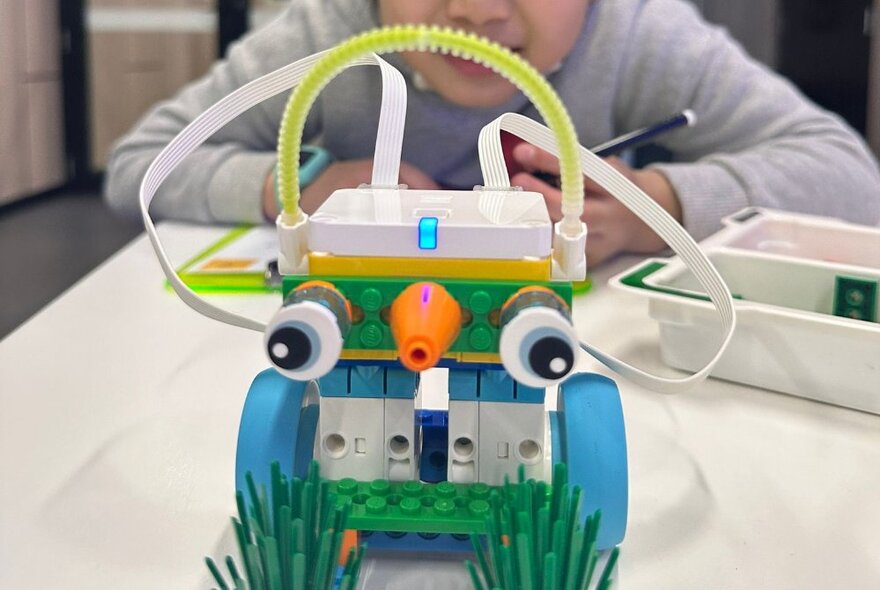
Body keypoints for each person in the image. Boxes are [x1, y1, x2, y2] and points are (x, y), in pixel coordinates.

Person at [104, 0, 880, 266]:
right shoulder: (323, 36)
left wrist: (662, 204)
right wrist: (292, 190)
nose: (475, 12)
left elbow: (851, 176)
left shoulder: (640, 34)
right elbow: (141, 163)